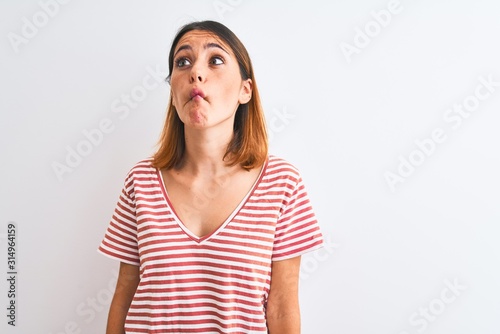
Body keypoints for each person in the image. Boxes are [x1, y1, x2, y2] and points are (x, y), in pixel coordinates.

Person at [98, 20, 324, 334]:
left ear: (246, 89)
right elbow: (124, 295)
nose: (196, 72)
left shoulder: (282, 183)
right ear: (173, 91)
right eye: (183, 62)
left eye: (215, 60)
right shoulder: (141, 181)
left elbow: (283, 305)